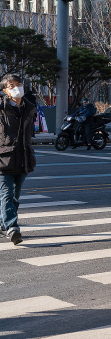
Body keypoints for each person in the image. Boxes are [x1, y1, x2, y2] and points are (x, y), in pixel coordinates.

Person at [0, 75, 36, 245]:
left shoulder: (29, 108)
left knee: (14, 197)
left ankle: (3, 224)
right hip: (3, 160)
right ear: (5, 91)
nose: (16, 87)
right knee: (6, 195)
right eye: (11, 85)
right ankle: (12, 228)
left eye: (18, 84)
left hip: (23, 158)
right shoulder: (1, 108)